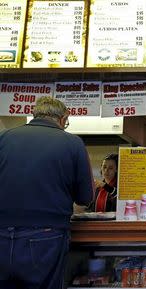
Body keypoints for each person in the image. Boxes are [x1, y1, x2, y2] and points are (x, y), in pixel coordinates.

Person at [0, 96, 94, 289]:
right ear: (62, 119)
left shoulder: (4, 138)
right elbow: (85, 197)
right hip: (47, 236)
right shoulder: (72, 143)